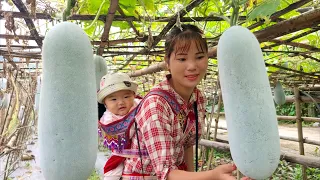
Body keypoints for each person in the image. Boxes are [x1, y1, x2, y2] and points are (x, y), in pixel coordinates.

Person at [120, 24, 249, 180]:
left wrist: (195, 175)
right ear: (167, 62)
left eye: (200, 57)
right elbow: (166, 173)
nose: (192, 66)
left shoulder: (197, 99)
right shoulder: (156, 105)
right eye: (182, 59)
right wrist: (213, 175)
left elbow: (187, 145)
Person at [97, 72, 141, 180]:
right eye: (113, 99)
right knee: (111, 174)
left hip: (143, 150)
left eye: (126, 96)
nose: (121, 102)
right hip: (121, 153)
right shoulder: (108, 119)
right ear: (105, 103)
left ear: (133, 95)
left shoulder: (140, 105)